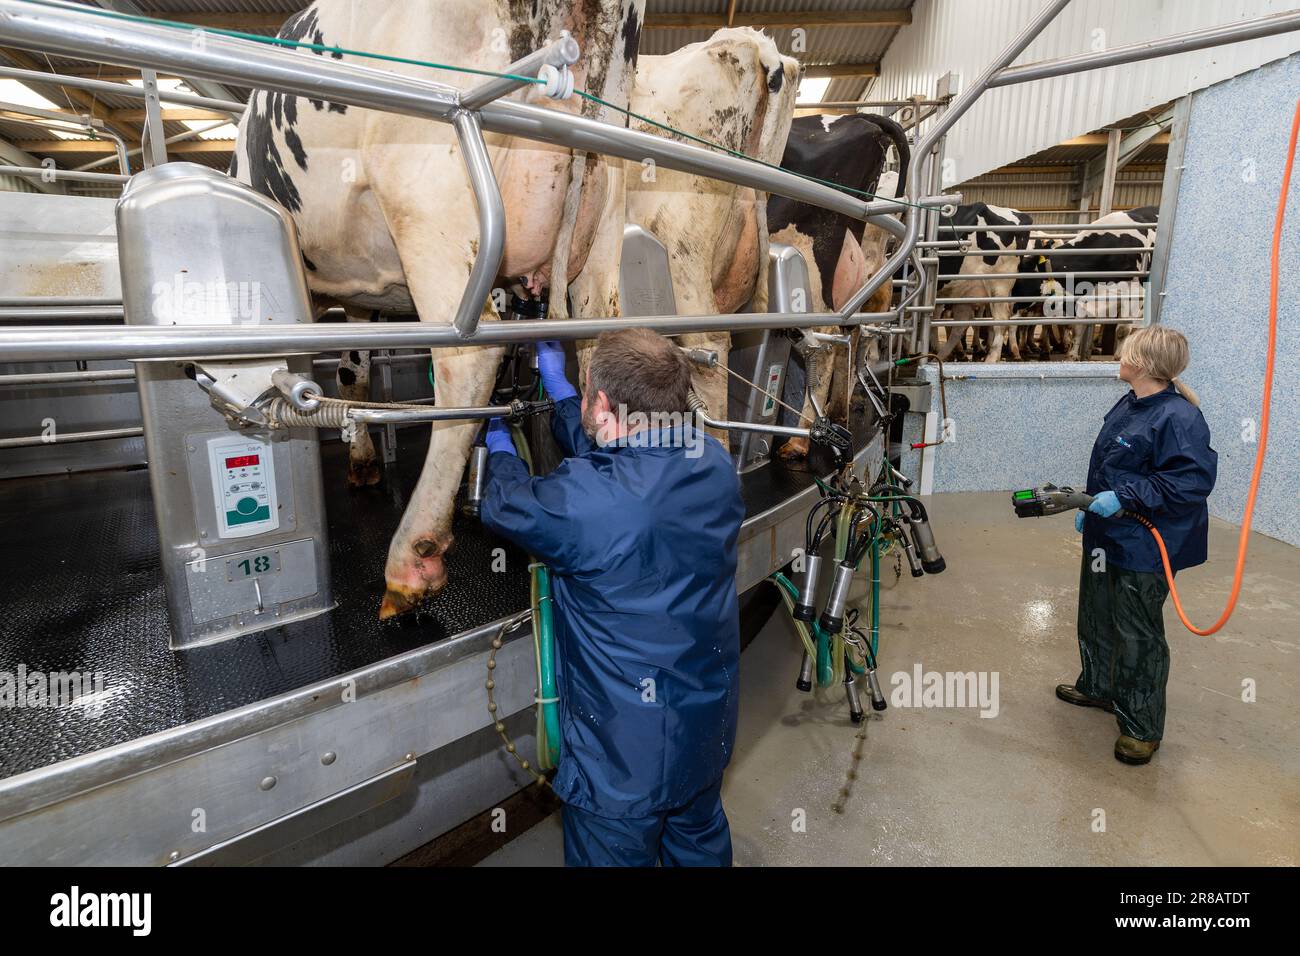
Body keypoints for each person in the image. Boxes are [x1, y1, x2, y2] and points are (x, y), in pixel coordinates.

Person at [480, 328, 745, 866]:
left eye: (583, 395)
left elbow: (505, 503)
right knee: (698, 844)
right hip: (703, 736)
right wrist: (558, 395)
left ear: (601, 404)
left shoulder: (586, 501)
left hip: (621, 765)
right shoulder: (716, 464)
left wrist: (497, 440)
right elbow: (625, 469)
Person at [1057, 326, 1217, 765]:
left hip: (1146, 543)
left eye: (1124, 353)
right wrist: (1091, 506)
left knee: (1136, 633)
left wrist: (1124, 498)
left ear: (1142, 364)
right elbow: (1116, 464)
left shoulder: (1179, 418)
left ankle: (1141, 727)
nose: (1118, 359)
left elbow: (1190, 482)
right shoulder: (1131, 403)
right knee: (1096, 613)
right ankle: (1099, 686)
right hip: (1107, 534)